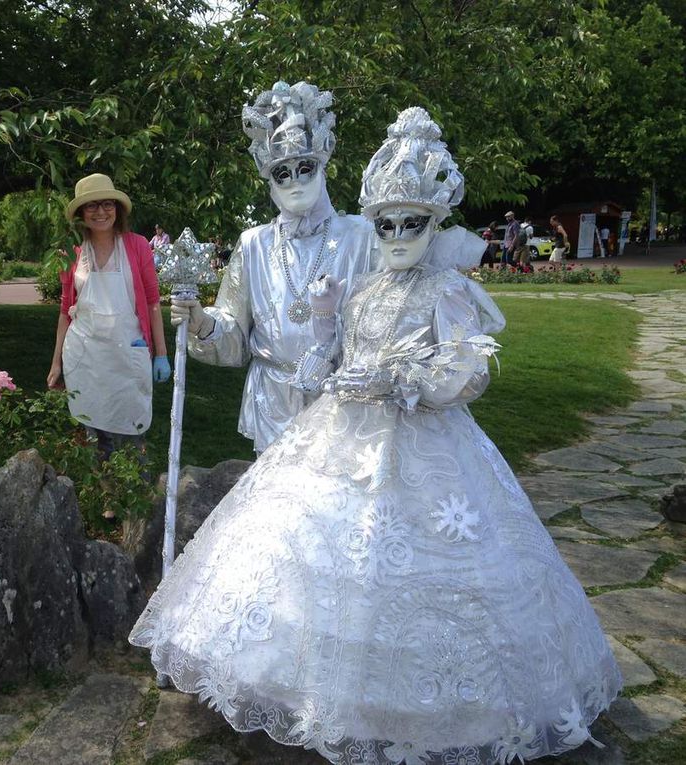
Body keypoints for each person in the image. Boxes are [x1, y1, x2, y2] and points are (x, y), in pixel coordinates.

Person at [130, 107, 620, 764]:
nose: (393, 234)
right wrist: (298, 324)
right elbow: (306, 351)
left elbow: (467, 367)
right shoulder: (317, 273)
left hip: (423, 449)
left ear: (432, 222)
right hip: (329, 430)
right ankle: (301, 687)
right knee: (303, 553)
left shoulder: (430, 279)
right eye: (385, 223)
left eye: (408, 223)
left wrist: (403, 377)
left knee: (408, 573)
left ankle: (408, 706)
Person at [170, 80, 375, 453]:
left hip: (340, 400)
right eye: (283, 172)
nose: (294, 180)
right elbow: (236, 335)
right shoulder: (254, 244)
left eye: (305, 167)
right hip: (272, 400)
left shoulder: (361, 236)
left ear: (322, 166)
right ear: (270, 179)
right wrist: (202, 322)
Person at [47, 173, 171, 459]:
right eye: (91, 206)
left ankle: (134, 495)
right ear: (80, 213)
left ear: (117, 209)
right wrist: (56, 363)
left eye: (107, 204)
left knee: (132, 432)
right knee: (95, 436)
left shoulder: (138, 245)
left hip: (127, 352)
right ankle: (104, 500)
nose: (101, 212)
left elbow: (153, 302)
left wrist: (161, 354)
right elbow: (66, 311)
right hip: (85, 356)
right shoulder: (72, 252)